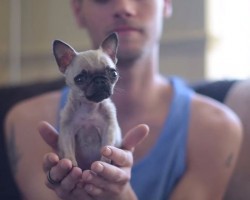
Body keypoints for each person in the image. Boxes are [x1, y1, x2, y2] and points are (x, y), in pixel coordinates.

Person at [4, 0, 243, 199]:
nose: (124, 7)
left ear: (167, 3)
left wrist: (122, 195)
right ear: (78, 9)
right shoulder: (27, 122)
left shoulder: (216, 127)